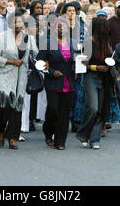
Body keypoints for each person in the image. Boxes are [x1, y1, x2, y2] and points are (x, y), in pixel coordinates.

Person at [0, 11, 37, 150]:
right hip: (3, 74)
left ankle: (12, 138)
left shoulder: (29, 38)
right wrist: (11, 61)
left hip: (21, 77)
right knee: (4, 106)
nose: (18, 25)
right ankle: (0, 131)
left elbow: (34, 55)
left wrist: (41, 63)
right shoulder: (3, 37)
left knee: (17, 107)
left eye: (20, 22)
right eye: (15, 22)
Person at [37, 16, 75, 150]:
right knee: (53, 109)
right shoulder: (47, 43)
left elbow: (76, 60)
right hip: (53, 81)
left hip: (68, 81)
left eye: (64, 26)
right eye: (59, 26)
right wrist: (51, 71)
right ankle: (48, 131)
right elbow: (39, 63)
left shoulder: (72, 43)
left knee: (65, 113)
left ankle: (60, 141)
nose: (61, 28)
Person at [76, 17, 113, 149]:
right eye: (105, 27)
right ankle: (83, 132)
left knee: (101, 110)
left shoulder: (107, 42)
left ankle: (95, 139)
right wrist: (95, 67)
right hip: (91, 77)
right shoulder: (88, 43)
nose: (107, 29)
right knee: (93, 107)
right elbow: (81, 65)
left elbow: (111, 57)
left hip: (105, 78)